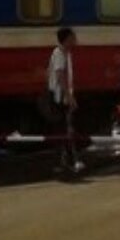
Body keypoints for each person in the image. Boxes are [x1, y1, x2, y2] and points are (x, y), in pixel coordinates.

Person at [48, 27, 83, 172]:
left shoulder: (65, 53)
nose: (75, 40)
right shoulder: (59, 53)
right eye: (73, 37)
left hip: (61, 95)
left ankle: (67, 161)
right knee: (65, 130)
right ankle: (67, 162)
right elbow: (60, 75)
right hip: (60, 97)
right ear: (67, 38)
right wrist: (69, 96)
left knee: (65, 129)